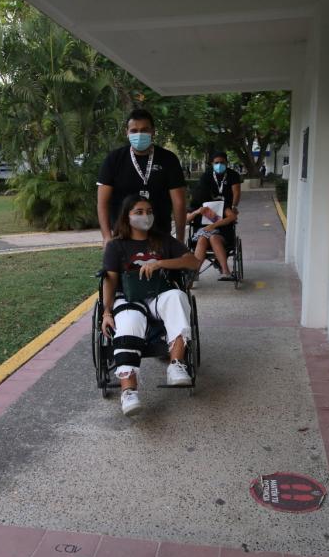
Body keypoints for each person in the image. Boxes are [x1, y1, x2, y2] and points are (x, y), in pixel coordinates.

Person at [101, 195, 201, 416]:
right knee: (128, 321)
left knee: (177, 296)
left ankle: (176, 364)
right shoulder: (116, 246)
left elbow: (193, 262)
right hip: (129, 298)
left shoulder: (163, 241)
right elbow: (110, 281)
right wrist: (106, 312)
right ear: (127, 217)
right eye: (138, 212)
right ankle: (129, 392)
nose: (145, 216)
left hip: (158, 295)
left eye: (149, 211)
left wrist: (160, 263)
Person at [97, 109, 188, 247]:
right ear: (127, 132)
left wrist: (180, 239)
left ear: (153, 132)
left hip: (159, 235)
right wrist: (106, 237)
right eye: (134, 131)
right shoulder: (114, 159)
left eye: (145, 130)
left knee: (162, 262)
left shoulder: (168, 159)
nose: (139, 134)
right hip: (122, 237)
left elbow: (179, 203)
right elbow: (102, 202)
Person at [188, 152, 240, 281]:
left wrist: (213, 225)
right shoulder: (197, 205)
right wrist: (197, 212)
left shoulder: (219, 203)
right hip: (201, 232)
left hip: (221, 231)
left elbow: (232, 217)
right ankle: (194, 273)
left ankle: (226, 271)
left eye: (222, 162)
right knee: (202, 239)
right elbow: (186, 220)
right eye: (216, 163)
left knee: (213, 237)